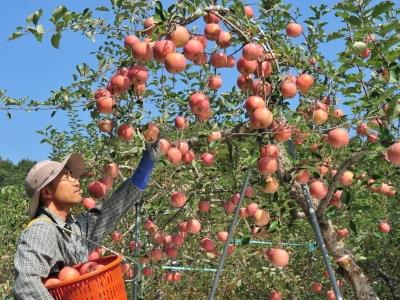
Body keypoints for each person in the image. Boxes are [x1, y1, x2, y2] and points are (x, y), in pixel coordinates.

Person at [13, 140, 160, 299]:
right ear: (47, 192)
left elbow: (113, 209)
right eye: (66, 177)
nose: (76, 181)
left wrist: (147, 164)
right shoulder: (42, 229)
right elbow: (26, 285)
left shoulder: (75, 228)